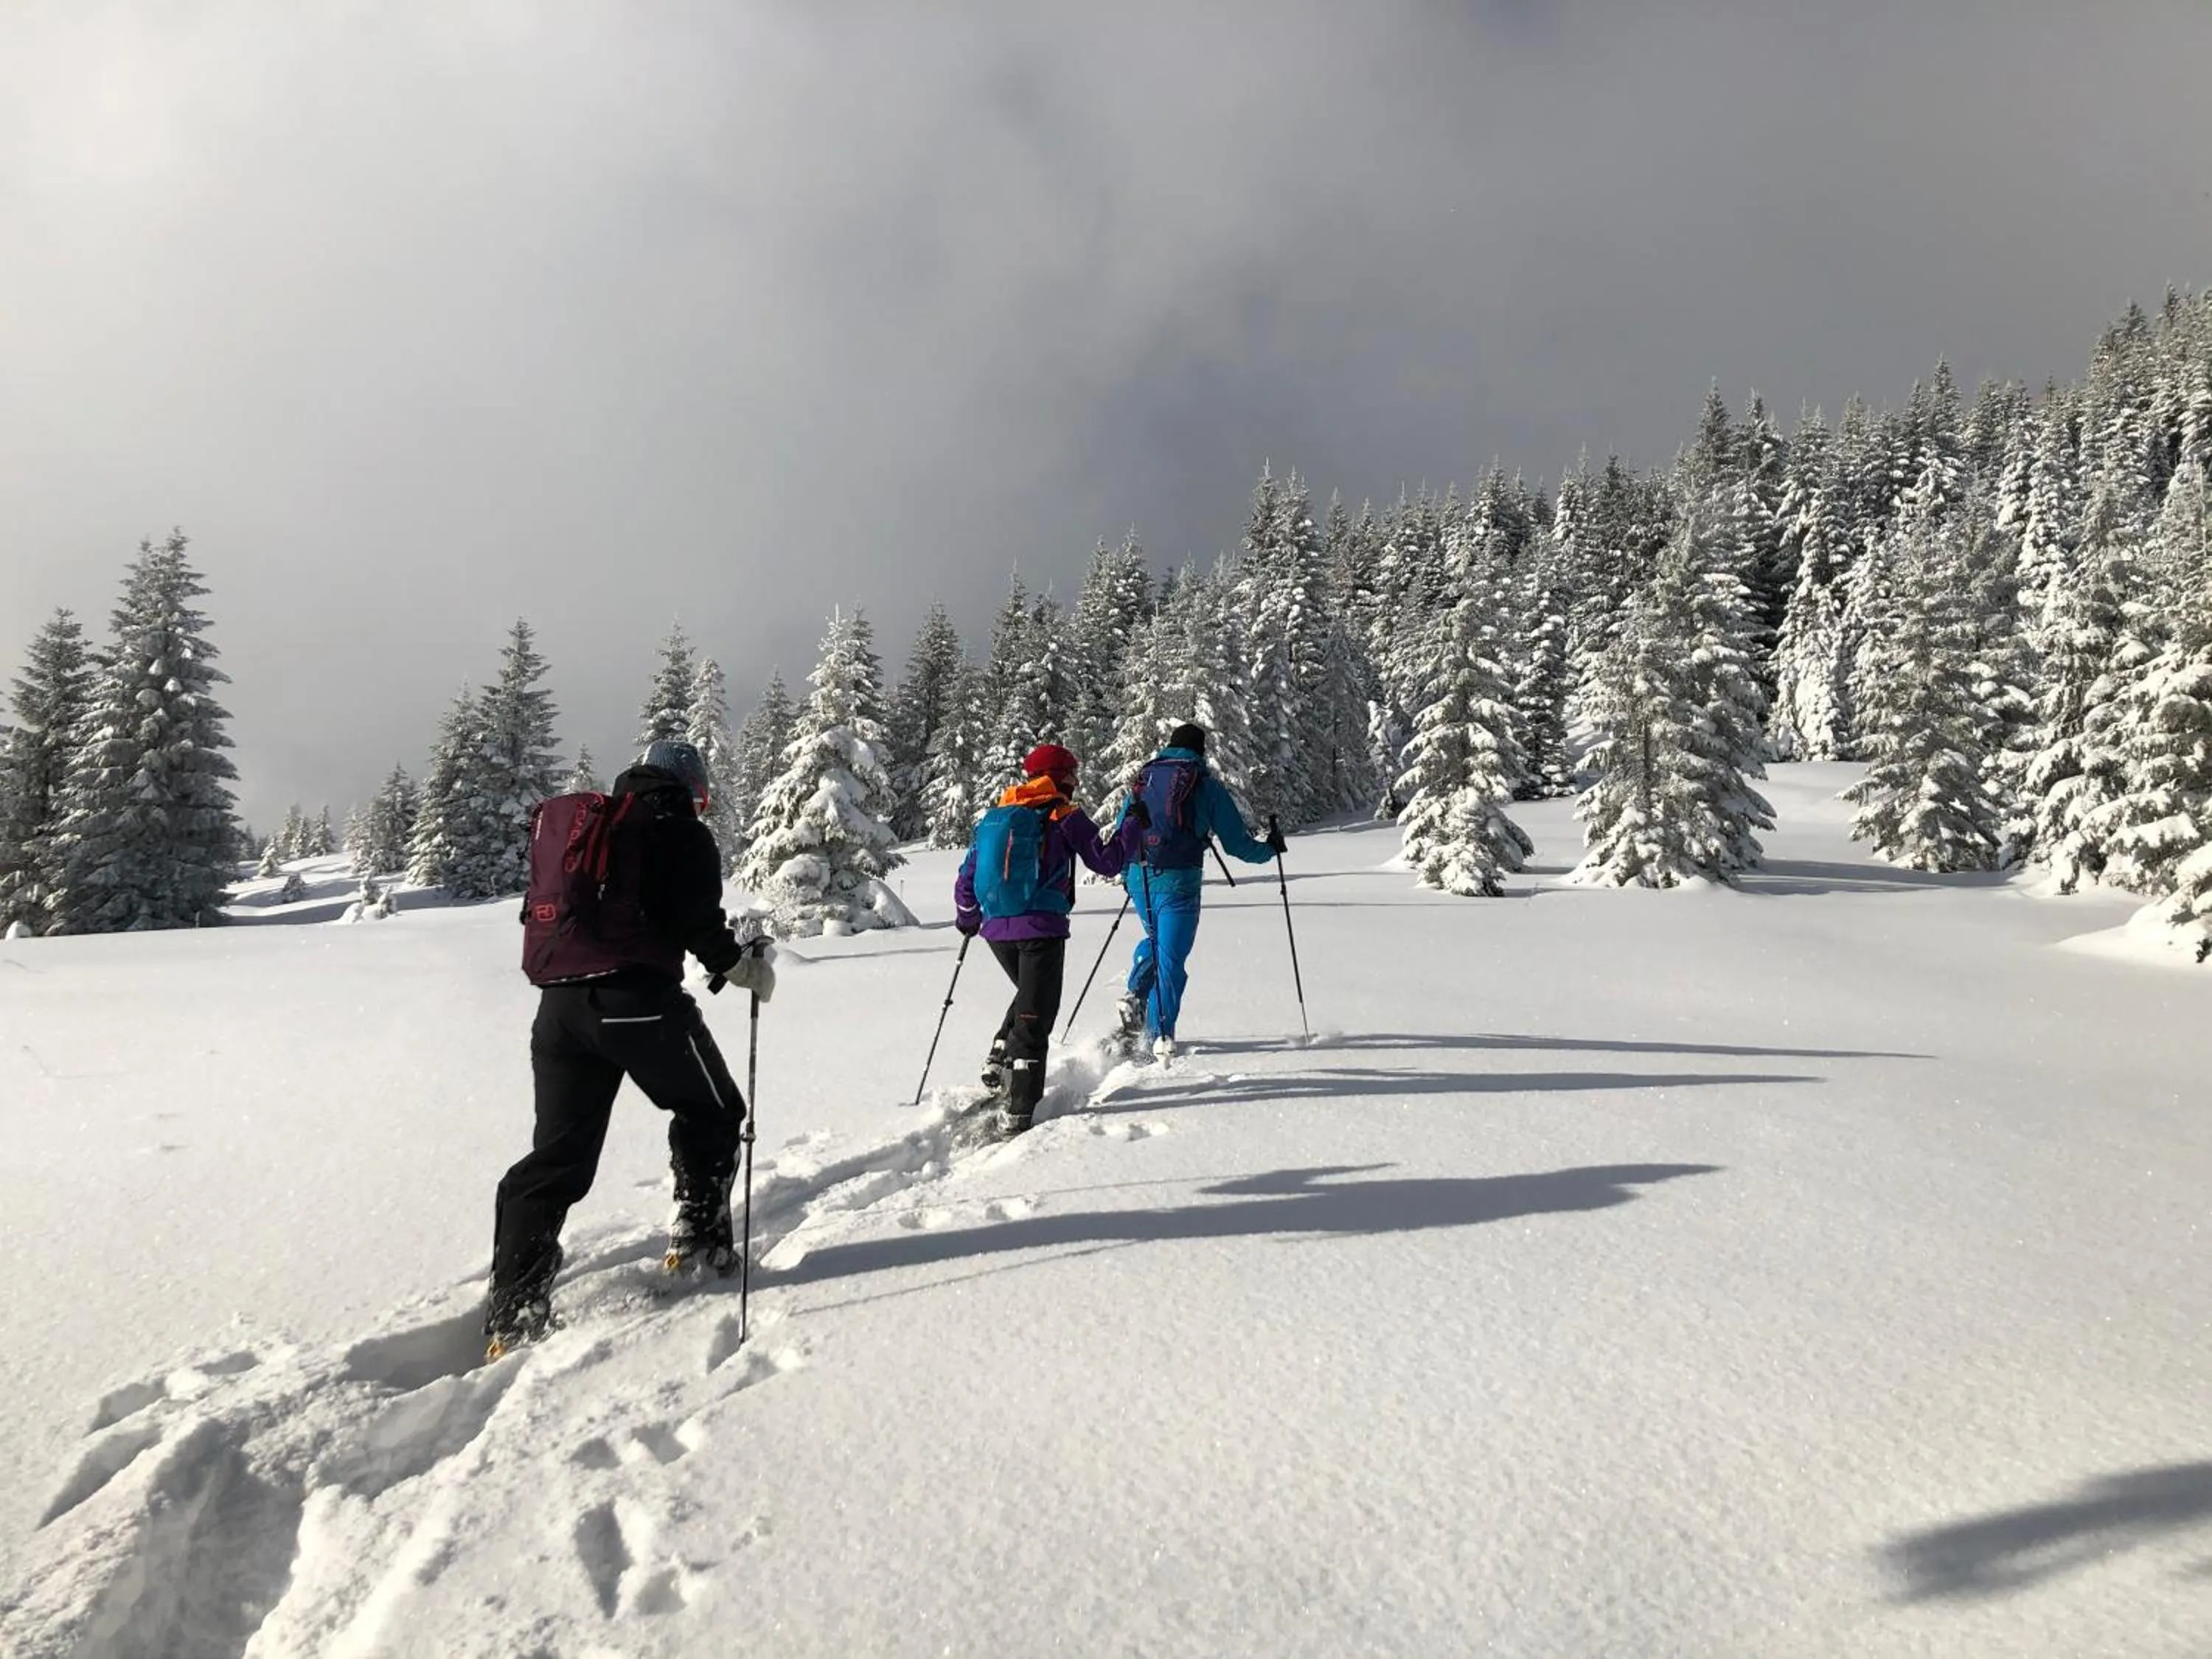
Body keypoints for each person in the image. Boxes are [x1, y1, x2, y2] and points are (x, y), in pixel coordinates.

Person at [484, 739, 773, 1358]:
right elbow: (698, 923)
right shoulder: (678, 831)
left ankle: (513, 1308)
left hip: (558, 1010)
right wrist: (741, 968)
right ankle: (698, 1238)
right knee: (715, 1110)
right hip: (637, 1002)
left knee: (559, 1156)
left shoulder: (595, 830)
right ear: (690, 788)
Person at [953, 742, 1138, 1133]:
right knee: (1038, 1016)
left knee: (1028, 997)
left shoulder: (997, 815)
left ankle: (1001, 1054)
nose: (1076, 780)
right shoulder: (1063, 814)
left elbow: (968, 873)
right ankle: (1019, 1111)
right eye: (1073, 774)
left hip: (996, 928)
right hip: (1041, 928)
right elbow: (1107, 861)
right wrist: (1133, 824)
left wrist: (968, 917)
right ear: (1060, 777)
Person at [1113, 722, 1284, 1060]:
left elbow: (1124, 830)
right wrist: (1270, 849)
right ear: (1201, 752)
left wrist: (1125, 873)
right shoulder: (1205, 786)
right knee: (1172, 960)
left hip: (1140, 877)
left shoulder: (1144, 781)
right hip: (1180, 884)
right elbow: (1237, 845)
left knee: (1159, 943)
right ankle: (1157, 1039)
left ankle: (1137, 994)